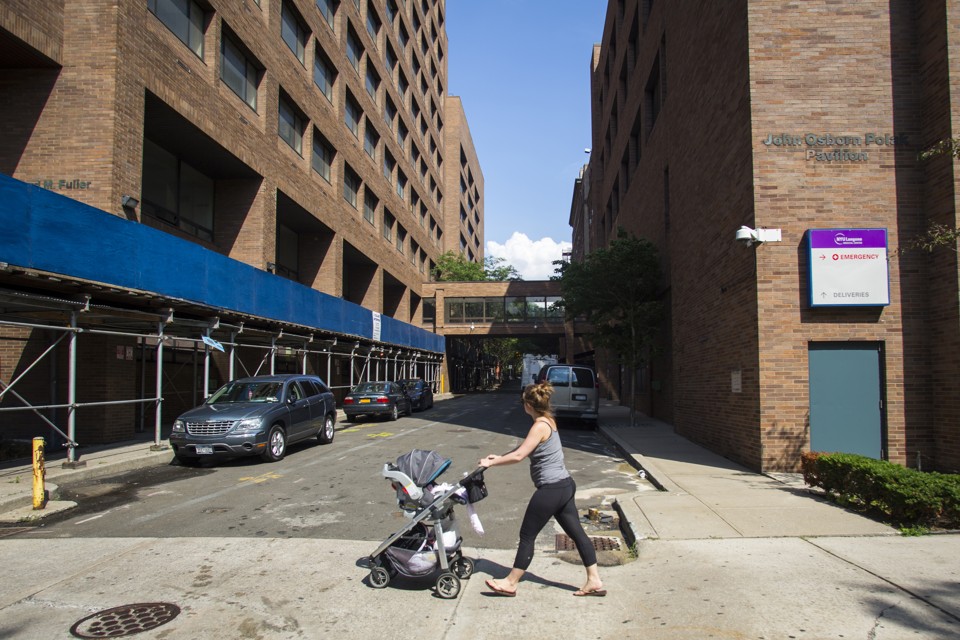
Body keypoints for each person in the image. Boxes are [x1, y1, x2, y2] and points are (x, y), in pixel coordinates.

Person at [478, 381, 606, 597]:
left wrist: (490, 463)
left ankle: (511, 582)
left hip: (551, 489)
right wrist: (499, 457)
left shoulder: (538, 426)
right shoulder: (548, 421)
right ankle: (594, 579)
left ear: (528, 405)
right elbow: (525, 448)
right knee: (577, 534)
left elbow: (519, 456)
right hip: (565, 485)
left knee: (527, 535)